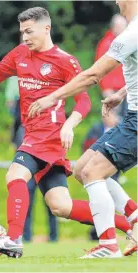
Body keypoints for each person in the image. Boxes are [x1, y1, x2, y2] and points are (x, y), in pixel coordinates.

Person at [0, 7, 133, 258]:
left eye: (29, 31)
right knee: (60, 206)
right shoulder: (20, 54)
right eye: (22, 32)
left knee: (15, 174)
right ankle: (128, 225)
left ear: (47, 28)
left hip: (49, 136)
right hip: (33, 136)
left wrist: (69, 125)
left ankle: (13, 239)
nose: (24, 37)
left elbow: (84, 103)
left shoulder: (65, 61)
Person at [28, 0, 137, 258]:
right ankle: (133, 218)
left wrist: (52, 97)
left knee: (93, 172)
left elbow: (92, 76)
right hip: (131, 115)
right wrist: (122, 93)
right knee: (81, 167)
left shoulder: (131, 34)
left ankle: (108, 245)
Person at [5, 77, 59, 242]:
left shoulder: (50, 106)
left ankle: (53, 237)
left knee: (53, 203)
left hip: (47, 160)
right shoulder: (21, 109)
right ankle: (24, 236)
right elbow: (16, 128)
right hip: (28, 161)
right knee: (25, 201)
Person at [82, 110, 121, 240]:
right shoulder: (96, 128)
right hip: (94, 167)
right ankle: (97, 231)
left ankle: (104, 232)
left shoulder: (120, 130)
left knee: (110, 200)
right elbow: (87, 145)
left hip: (113, 171)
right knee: (97, 200)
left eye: (111, 115)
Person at [95, 14, 127, 117]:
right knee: (115, 121)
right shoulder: (107, 44)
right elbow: (101, 69)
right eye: (122, 26)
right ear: (115, 27)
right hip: (113, 90)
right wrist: (106, 89)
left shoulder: (124, 42)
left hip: (125, 89)